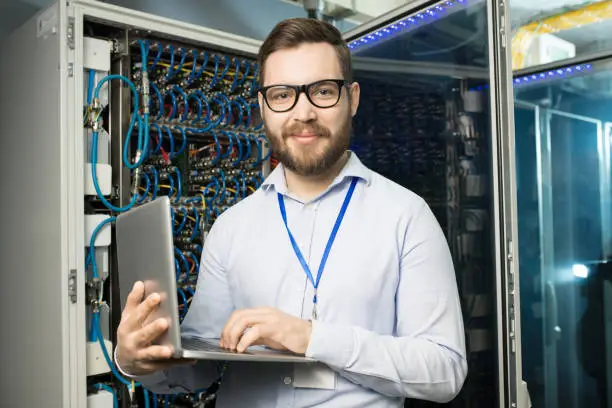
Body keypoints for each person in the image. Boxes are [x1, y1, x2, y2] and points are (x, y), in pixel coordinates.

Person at [115, 17, 467, 407]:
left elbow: (444, 370)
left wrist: (314, 337)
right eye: (283, 95)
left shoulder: (406, 217)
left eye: (322, 91)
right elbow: (200, 368)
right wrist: (140, 360)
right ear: (263, 106)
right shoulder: (231, 228)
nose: (303, 113)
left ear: (352, 98)